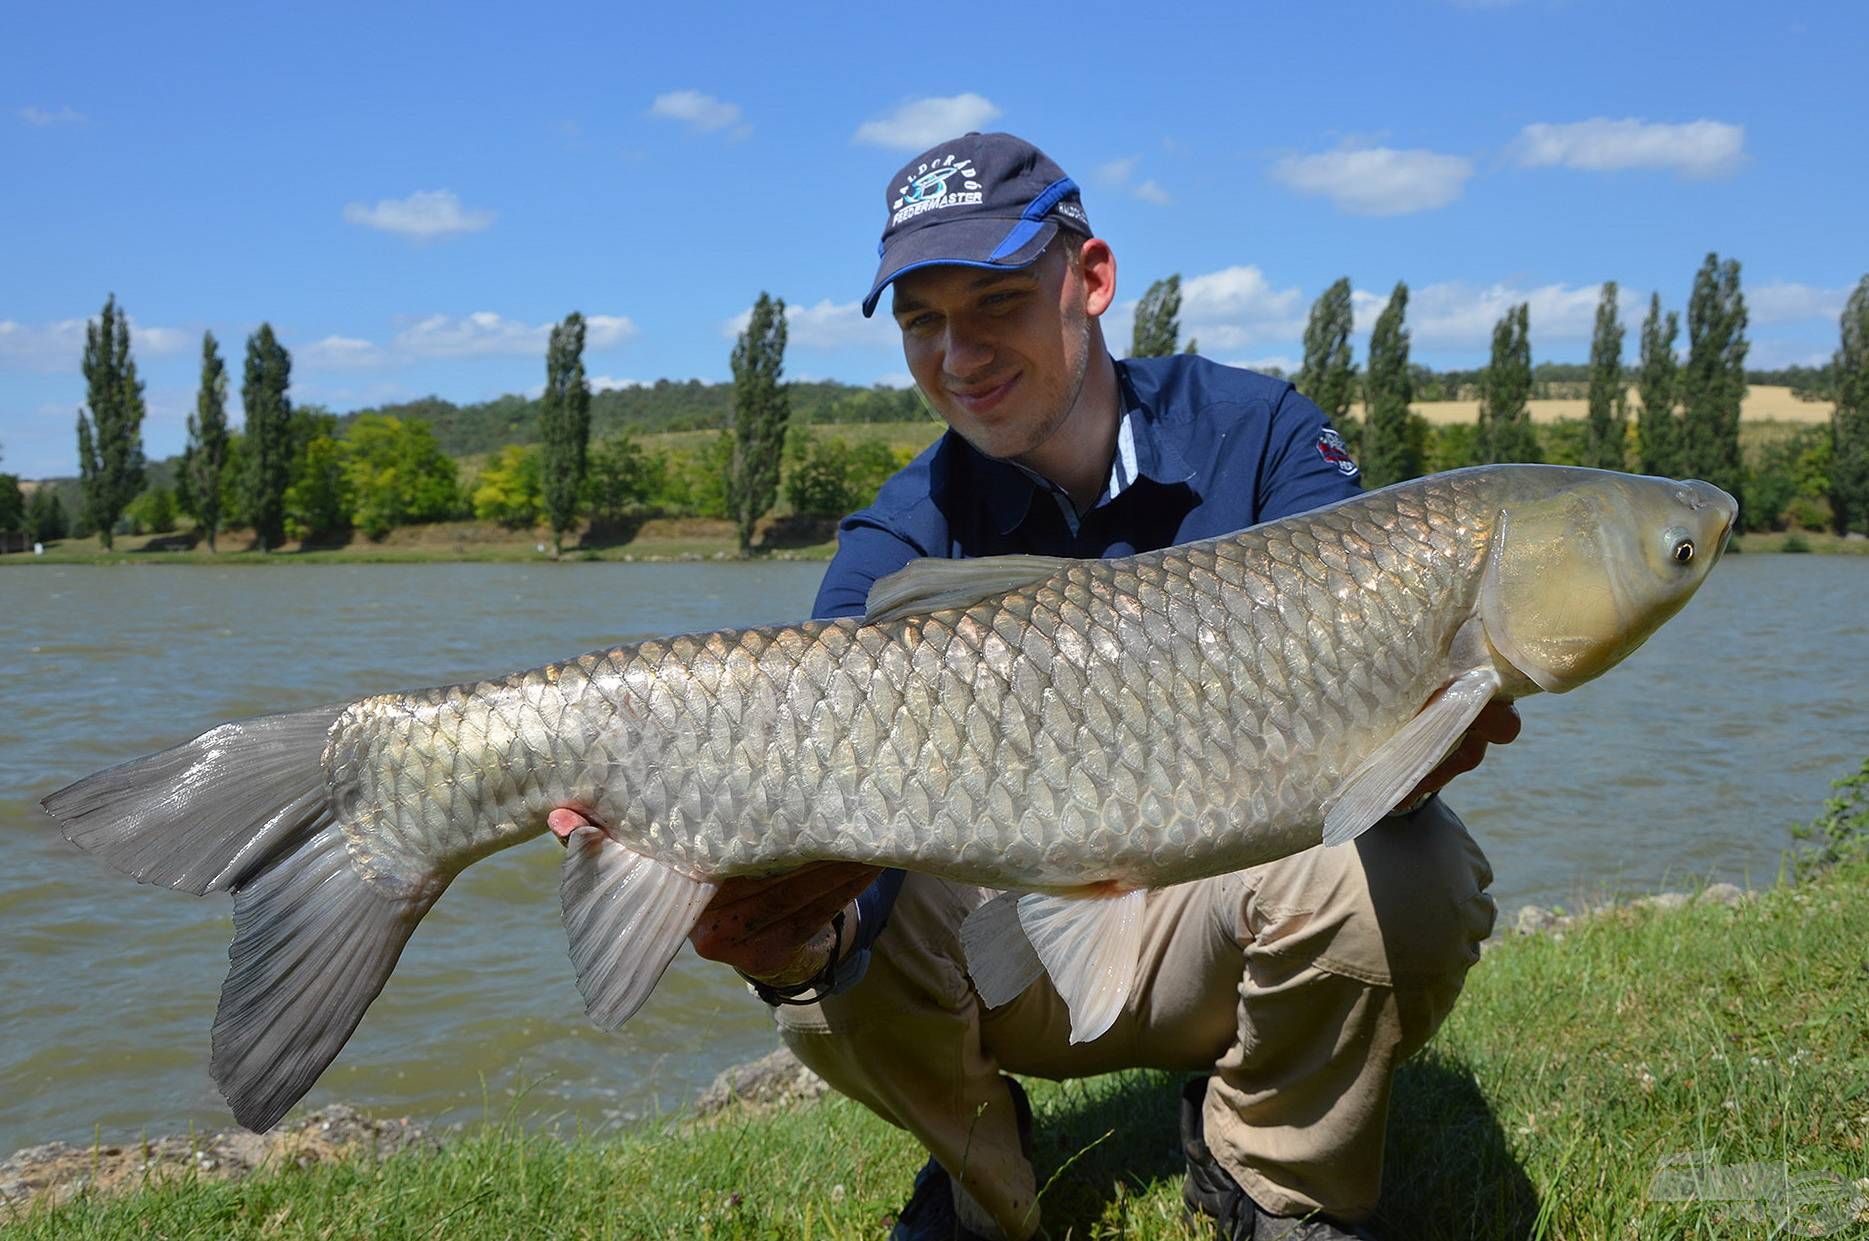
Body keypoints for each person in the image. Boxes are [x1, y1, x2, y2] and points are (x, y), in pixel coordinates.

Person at [550, 132, 1514, 1240]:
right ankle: (984, 1185)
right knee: (819, 970)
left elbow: (1382, 676)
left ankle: (1272, 1173)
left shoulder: (1261, 437)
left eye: (997, 302)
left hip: (1224, 904)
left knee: (1412, 863)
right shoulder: (894, 543)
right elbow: (848, 884)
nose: (958, 354)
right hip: (1018, 954)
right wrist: (792, 933)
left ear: (1091, 279)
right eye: (923, 320)